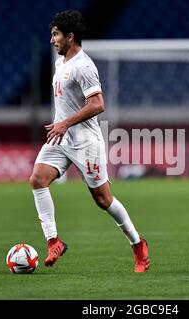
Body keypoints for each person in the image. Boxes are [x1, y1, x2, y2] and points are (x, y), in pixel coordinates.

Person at [29, 10, 150, 273]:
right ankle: (54, 242)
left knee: (103, 200)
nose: (52, 40)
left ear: (70, 37)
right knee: (37, 180)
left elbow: (98, 104)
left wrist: (64, 123)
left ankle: (138, 244)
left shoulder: (83, 66)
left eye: (56, 34)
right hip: (61, 138)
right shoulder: (61, 64)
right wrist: (61, 125)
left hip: (85, 141)